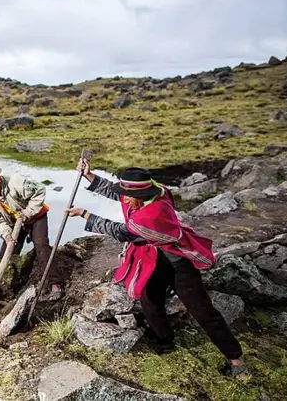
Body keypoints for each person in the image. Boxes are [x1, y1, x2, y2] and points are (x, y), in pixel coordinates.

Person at [65, 158, 247, 377]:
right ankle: (164, 340)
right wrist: (89, 175)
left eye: (131, 197)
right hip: (153, 258)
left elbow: (120, 231)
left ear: (142, 196)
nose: (126, 201)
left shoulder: (152, 214)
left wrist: (85, 214)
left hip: (178, 262)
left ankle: (236, 359)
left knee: (202, 310)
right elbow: (119, 194)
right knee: (150, 301)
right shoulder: (153, 191)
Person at [0, 164, 63, 301]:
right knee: (5, 253)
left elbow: (40, 190)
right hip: (16, 223)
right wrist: (7, 235)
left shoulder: (16, 182)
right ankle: (7, 288)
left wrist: (27, 213)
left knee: (41, 246)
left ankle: (55, 284)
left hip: (36, 216)